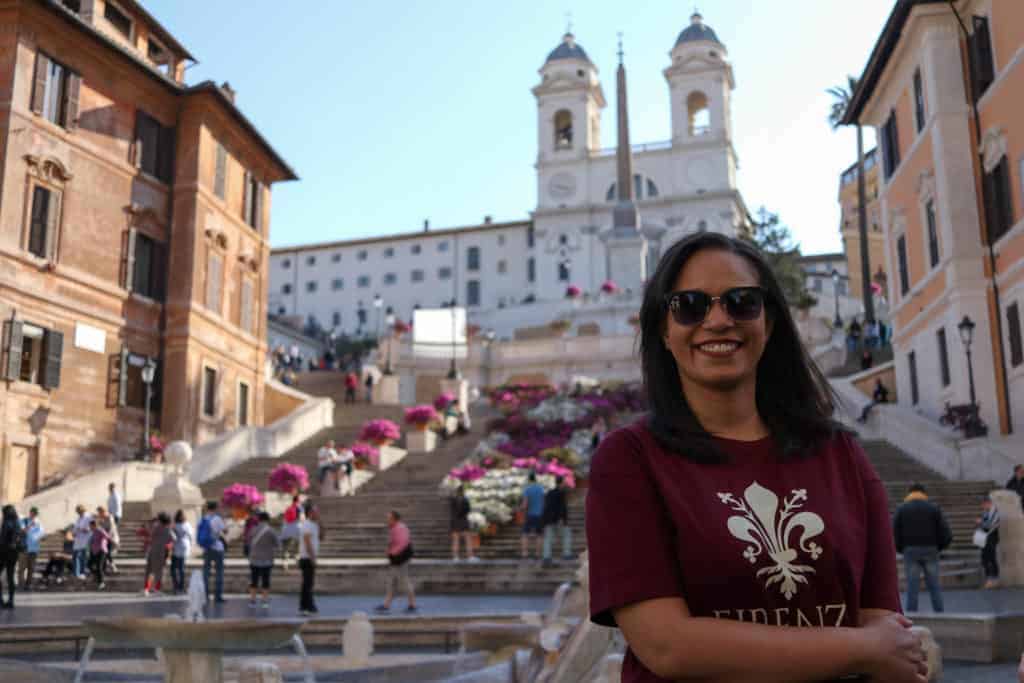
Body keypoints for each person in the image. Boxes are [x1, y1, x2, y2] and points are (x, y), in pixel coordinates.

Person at [586, 232, 923, 682]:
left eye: (742, 301)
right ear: (664, 330)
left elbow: (886, 625)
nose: (719, 320)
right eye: (690, 305)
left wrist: (874, 647)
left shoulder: (841, 455)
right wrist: (860, 648)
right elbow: (667, 646)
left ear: (769, 322)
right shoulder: (628, 459)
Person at [892, 483, 951, 613]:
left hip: (910, 550)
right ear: (924, 493)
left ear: (909, 494)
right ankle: (940, 614)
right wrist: (939, 547)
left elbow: (894, 531)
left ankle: (912, 616)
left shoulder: (902, 509)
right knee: (934, 585)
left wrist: (901, 548)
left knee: (912, 587)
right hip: (931, 549)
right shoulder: (933, 508)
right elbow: (945, 532)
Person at [376, 510, 416, 613]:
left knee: (403, 580)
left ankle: (412, 604)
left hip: (400, 559)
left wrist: (393, 553)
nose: (387, 520)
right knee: (392, 582)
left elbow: (403, 543)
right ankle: (387, 604)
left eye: (389, 518)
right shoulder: (395, 528)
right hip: (397, 558)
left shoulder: (400, 528)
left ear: (394, 519)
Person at [248, 511, 279, 609]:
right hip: (267, 559)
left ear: (259, 519)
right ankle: (264, 601)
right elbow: (277, 544)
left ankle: (252, 600)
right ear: (268, 519)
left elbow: (249, 540)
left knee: (254, 580)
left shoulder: (253, 529)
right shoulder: (271, 531)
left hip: (254, 558)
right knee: (266, 580)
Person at [199, 501, 227, 603]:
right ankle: (217, 596)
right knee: (219, 572)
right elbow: (225, 531)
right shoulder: (217, 519)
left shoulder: (204, 518)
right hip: (217, 548)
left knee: (206, 572)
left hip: (207, 548)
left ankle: (205, 596)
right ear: (216, 508)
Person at [541, 476, 572, 566]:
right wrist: (562, 519)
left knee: (548, 538)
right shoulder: (561, 493)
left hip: (549, 520)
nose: (565, 484)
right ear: (561, 483)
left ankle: (546, 556)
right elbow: (562, 507)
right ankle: (566, 554)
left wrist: (545, 520)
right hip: (558, 520)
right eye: (564, 482)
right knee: (566, 535)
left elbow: (546, 507)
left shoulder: (550, 493)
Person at [144, 512, 175, 596]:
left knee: (150, 571)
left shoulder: (155, 527)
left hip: (152, 551)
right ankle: (157, 588)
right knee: (159, 572)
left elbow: (149, 534)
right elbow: (173, 539)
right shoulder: (168, 529)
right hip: (162, 552)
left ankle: (146, 588)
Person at [298, 504, 321, 615]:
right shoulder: (307, 525)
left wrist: (321, 524)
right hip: (307, 558)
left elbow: (322, 536)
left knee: (308, 583)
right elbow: (307, 543)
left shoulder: (314, 525)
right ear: (310, 513)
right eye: (315, 511)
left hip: (310, 557)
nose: (317, 513)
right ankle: (308, 606)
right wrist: (312, 558)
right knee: (308, 583)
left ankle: (305, 606)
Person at [519, 472, 546, 560]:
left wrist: (521, 509)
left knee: (525, 534)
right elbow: (543, 502)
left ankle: (525, 553)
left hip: (530, 515)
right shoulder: (541, 488)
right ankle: (537, 553)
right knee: (539, 534)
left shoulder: (527, 489)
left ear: (528, 479)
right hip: (540, 514)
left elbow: (525, 504)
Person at [0, 505, 22, 609]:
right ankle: (11, 600)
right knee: (10, 576)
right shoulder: (17, 522)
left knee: (8, 576)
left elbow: (3, 539)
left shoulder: (7, 522)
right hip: (13, 553)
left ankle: (2, 600)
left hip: (4, 552)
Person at [977, 496, 1000, 590]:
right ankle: (988, 579)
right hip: (984, 538)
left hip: (991, 538)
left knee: (991, 558)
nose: (982, 506)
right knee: (984, 558)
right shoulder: (985, 512)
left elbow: (991, 526)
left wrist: (980, 522)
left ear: (988, 503)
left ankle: (994, 579)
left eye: (983, 504)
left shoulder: (995, 512)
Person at [19, 507, 43, 590]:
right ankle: (21, 585)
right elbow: (22, 531)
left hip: (34, 548)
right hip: (24, 548)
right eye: (34, 513)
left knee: (31, 568)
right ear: (30, 512)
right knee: (22, 568)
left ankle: (28, 585)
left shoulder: (39, 522)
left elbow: (41, 533)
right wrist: (30, 525)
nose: (35, 515)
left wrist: (41, 537)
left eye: (36, 513)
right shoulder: (24, 521)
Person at [449, 486, 475, 562]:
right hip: (463, 520)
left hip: (454, 521)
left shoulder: (452, 500)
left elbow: (452, 510)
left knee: (455, 540)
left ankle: (455, 557)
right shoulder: (465, 500)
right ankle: (470, 556)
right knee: (467, 538)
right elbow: (468, 509)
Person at [171, 510, 193, 594]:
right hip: (180, 546)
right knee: (176, 568)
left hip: (180, 546)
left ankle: (179, 587)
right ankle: (178, 586)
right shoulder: (185, 525)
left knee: (179, 568)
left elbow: (190, 536)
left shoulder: (179, 525)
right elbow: (190, 536)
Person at [87, 519, 112, 590]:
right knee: (89, 565)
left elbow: (108, 537)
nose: (90, 527)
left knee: (99, 566)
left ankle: (101, 583)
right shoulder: (93, 532)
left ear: (94, 525)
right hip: (94, 551)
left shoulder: (100, 530)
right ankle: (96, 576)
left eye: (91, 526)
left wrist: (112, 543)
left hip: (101, 550)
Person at [281, 495, 302, 569]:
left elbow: (285, 518)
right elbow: (302, 519)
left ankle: (285, 563)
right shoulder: (299, 508)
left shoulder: (288, 508)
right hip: (297, 529)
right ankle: (297, 557)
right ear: (298, 500)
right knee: (298, 545)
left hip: (286, 529)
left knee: (286, 547)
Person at [96, 506, 119, 575]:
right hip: (106, 539)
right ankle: (110, 567)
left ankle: (112, 567)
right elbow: (100, 528)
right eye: (99, 512)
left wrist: (109, 538)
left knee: (107, 553)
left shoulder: (109, 517)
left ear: (103, 511)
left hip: (111, 538)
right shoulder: (101, 519)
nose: (99, 514)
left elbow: (111, 529)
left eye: (100, 512)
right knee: (106, 553)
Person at [71, 504, 92, 579]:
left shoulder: (89, 517)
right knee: (75, 557)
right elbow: (75, 528)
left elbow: (90, 528)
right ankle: (76, 573)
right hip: (78, 540)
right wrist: (73, 532)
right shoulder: (78, 518)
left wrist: (82, 529)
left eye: (79, 511)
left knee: (82, 557)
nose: (78, 513)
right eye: (77, 511)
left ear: (82, 510)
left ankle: (82, 573)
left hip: (85, 540)